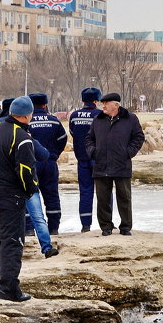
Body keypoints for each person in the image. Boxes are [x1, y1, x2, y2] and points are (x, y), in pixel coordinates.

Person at [0, 95, 37, 302]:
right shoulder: (21, 136)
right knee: (12, 241)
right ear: (28, 115)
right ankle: (9, 289)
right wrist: (31, 189)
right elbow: (25, 171)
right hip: (11, 195)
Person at [86, 92, 144, 237]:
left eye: (106, 103)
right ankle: (106, 227)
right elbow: (88, 139)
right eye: (102, 103)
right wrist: (93, 152)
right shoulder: (97, 120)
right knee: (103, 198)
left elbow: (138, 137)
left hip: (121, 164)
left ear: (116, 105)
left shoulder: (130, 119)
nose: (103, 106)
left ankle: (125, 227)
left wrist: (128, 152)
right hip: (101, 165)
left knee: (124, 197)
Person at [28, 93, 67, 235]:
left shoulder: (27, 121)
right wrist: (54, 154)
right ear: (45, 105)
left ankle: (30, 229)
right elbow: (63, 139)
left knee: (30, 195)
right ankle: (53, 228)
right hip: (50, 163)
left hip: (31, 164)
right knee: (51, 195)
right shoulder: (54, 121)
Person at [68, 87, 101, 232]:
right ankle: (106, 225)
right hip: (99, 159)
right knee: (103, 192)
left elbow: (72, 132)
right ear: (96, 100)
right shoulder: (101, 115)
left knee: (85, 192)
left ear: (83, 100)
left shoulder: (74, 116)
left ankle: (85, 225)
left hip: (82, 159)